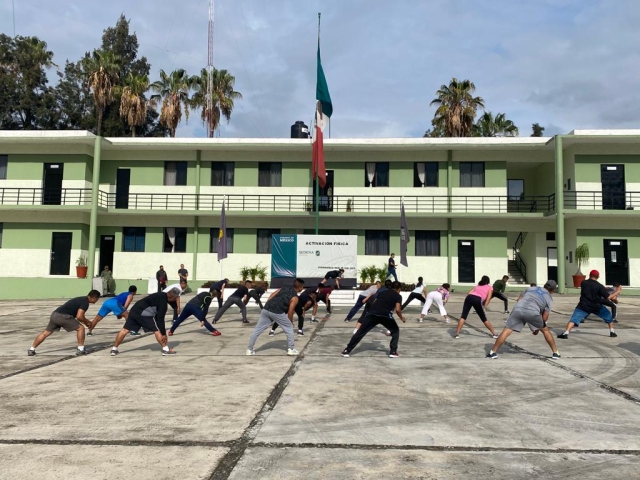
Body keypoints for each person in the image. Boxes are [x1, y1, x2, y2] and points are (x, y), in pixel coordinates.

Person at [487, 281, 561, 360]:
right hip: (533, 312)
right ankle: (555, 352)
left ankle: (493, 352)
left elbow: (519, 300)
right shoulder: (549, 298)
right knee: (546, 331)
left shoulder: (530, 288)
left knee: (507, 330)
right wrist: (536, 327)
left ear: (544, 285)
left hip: (518, 309)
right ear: (553, 290)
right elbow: (545, 318)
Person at [341, 281, 406, 358]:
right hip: (385, 315)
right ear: (398, 289)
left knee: (361, 332)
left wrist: (369, 313)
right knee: (395, 331)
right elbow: (398, 310)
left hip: (372, 314)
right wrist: (402, 318)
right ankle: (393, 351)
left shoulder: (382, 293)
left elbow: (374, 302)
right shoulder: (398, 296)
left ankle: (346, 351)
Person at [28, 290, 101, 356]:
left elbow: (79, 316)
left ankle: (32, 349)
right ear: (94, 298)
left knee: (45, 333)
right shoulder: (85, 303)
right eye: (97, 299)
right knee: (81, 328)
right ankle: (80, 349)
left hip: (55, 314)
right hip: (63, 317)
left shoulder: (81, 299)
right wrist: (87, 322)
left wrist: (85, 321)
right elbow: (79, 316)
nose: (97, 300)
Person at [111, 288, 180, 356]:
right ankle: (166, 350)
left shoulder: (161, 295)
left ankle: (114, 349)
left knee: (125, 330)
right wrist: (163, 334)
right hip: (144, 313)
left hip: (134, 309)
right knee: (157, 330)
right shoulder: (163, 303)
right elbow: (160, 319)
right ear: (173, 297)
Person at [246, 278, 305, 356]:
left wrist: (268, 305)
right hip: (277, 312)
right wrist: (290, 322)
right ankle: (291, 349)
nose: (302, 288)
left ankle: (249, 350)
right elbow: (290, 311)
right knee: (289, 328)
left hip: (266, 309)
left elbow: (272, 295)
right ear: (300, 287)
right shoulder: (295, 297)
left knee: (257, 330)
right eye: (302, 287)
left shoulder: (283, 288)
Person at [557, 270, 617, 339]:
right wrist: (617, 291)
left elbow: (591, 288)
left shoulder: (583, 282)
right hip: (596, 306)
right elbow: (608, 297)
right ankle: (612, 332)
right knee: (608, 316)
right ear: (598, 277)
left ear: (589, 275)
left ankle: (566, 333)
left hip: (583, 306)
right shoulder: (600, 286)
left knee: (573, 319)